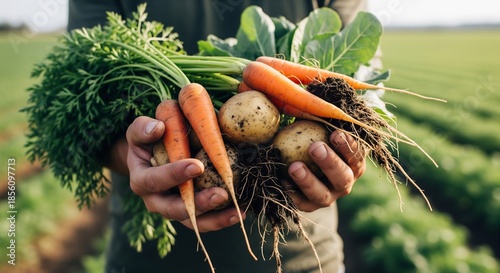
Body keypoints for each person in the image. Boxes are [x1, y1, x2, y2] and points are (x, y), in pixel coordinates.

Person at [68, 1, 368, 272]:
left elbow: (361, 80)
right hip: (153, 263)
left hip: (306, 260)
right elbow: (83, 118)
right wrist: (135, 158)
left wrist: (353, 151)